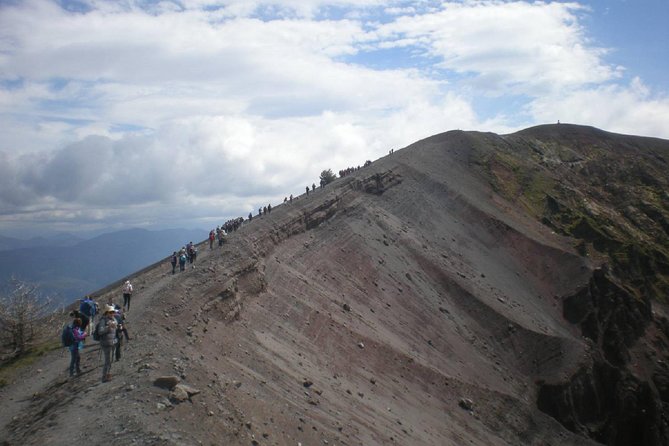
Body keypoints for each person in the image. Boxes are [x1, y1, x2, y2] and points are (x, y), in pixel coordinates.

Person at [97, 305, 118, 383]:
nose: (112, 313)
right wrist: (108, 327)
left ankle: (108, 374)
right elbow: (100, 331)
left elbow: (115, 327)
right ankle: (104, 377)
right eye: (111, 312)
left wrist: (117, 326)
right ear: (107, 313)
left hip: (112, 342)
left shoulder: (114, 319)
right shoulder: (103, 320)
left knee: (111, 360)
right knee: (107, 361)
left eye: (113, 312)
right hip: (105, 343)